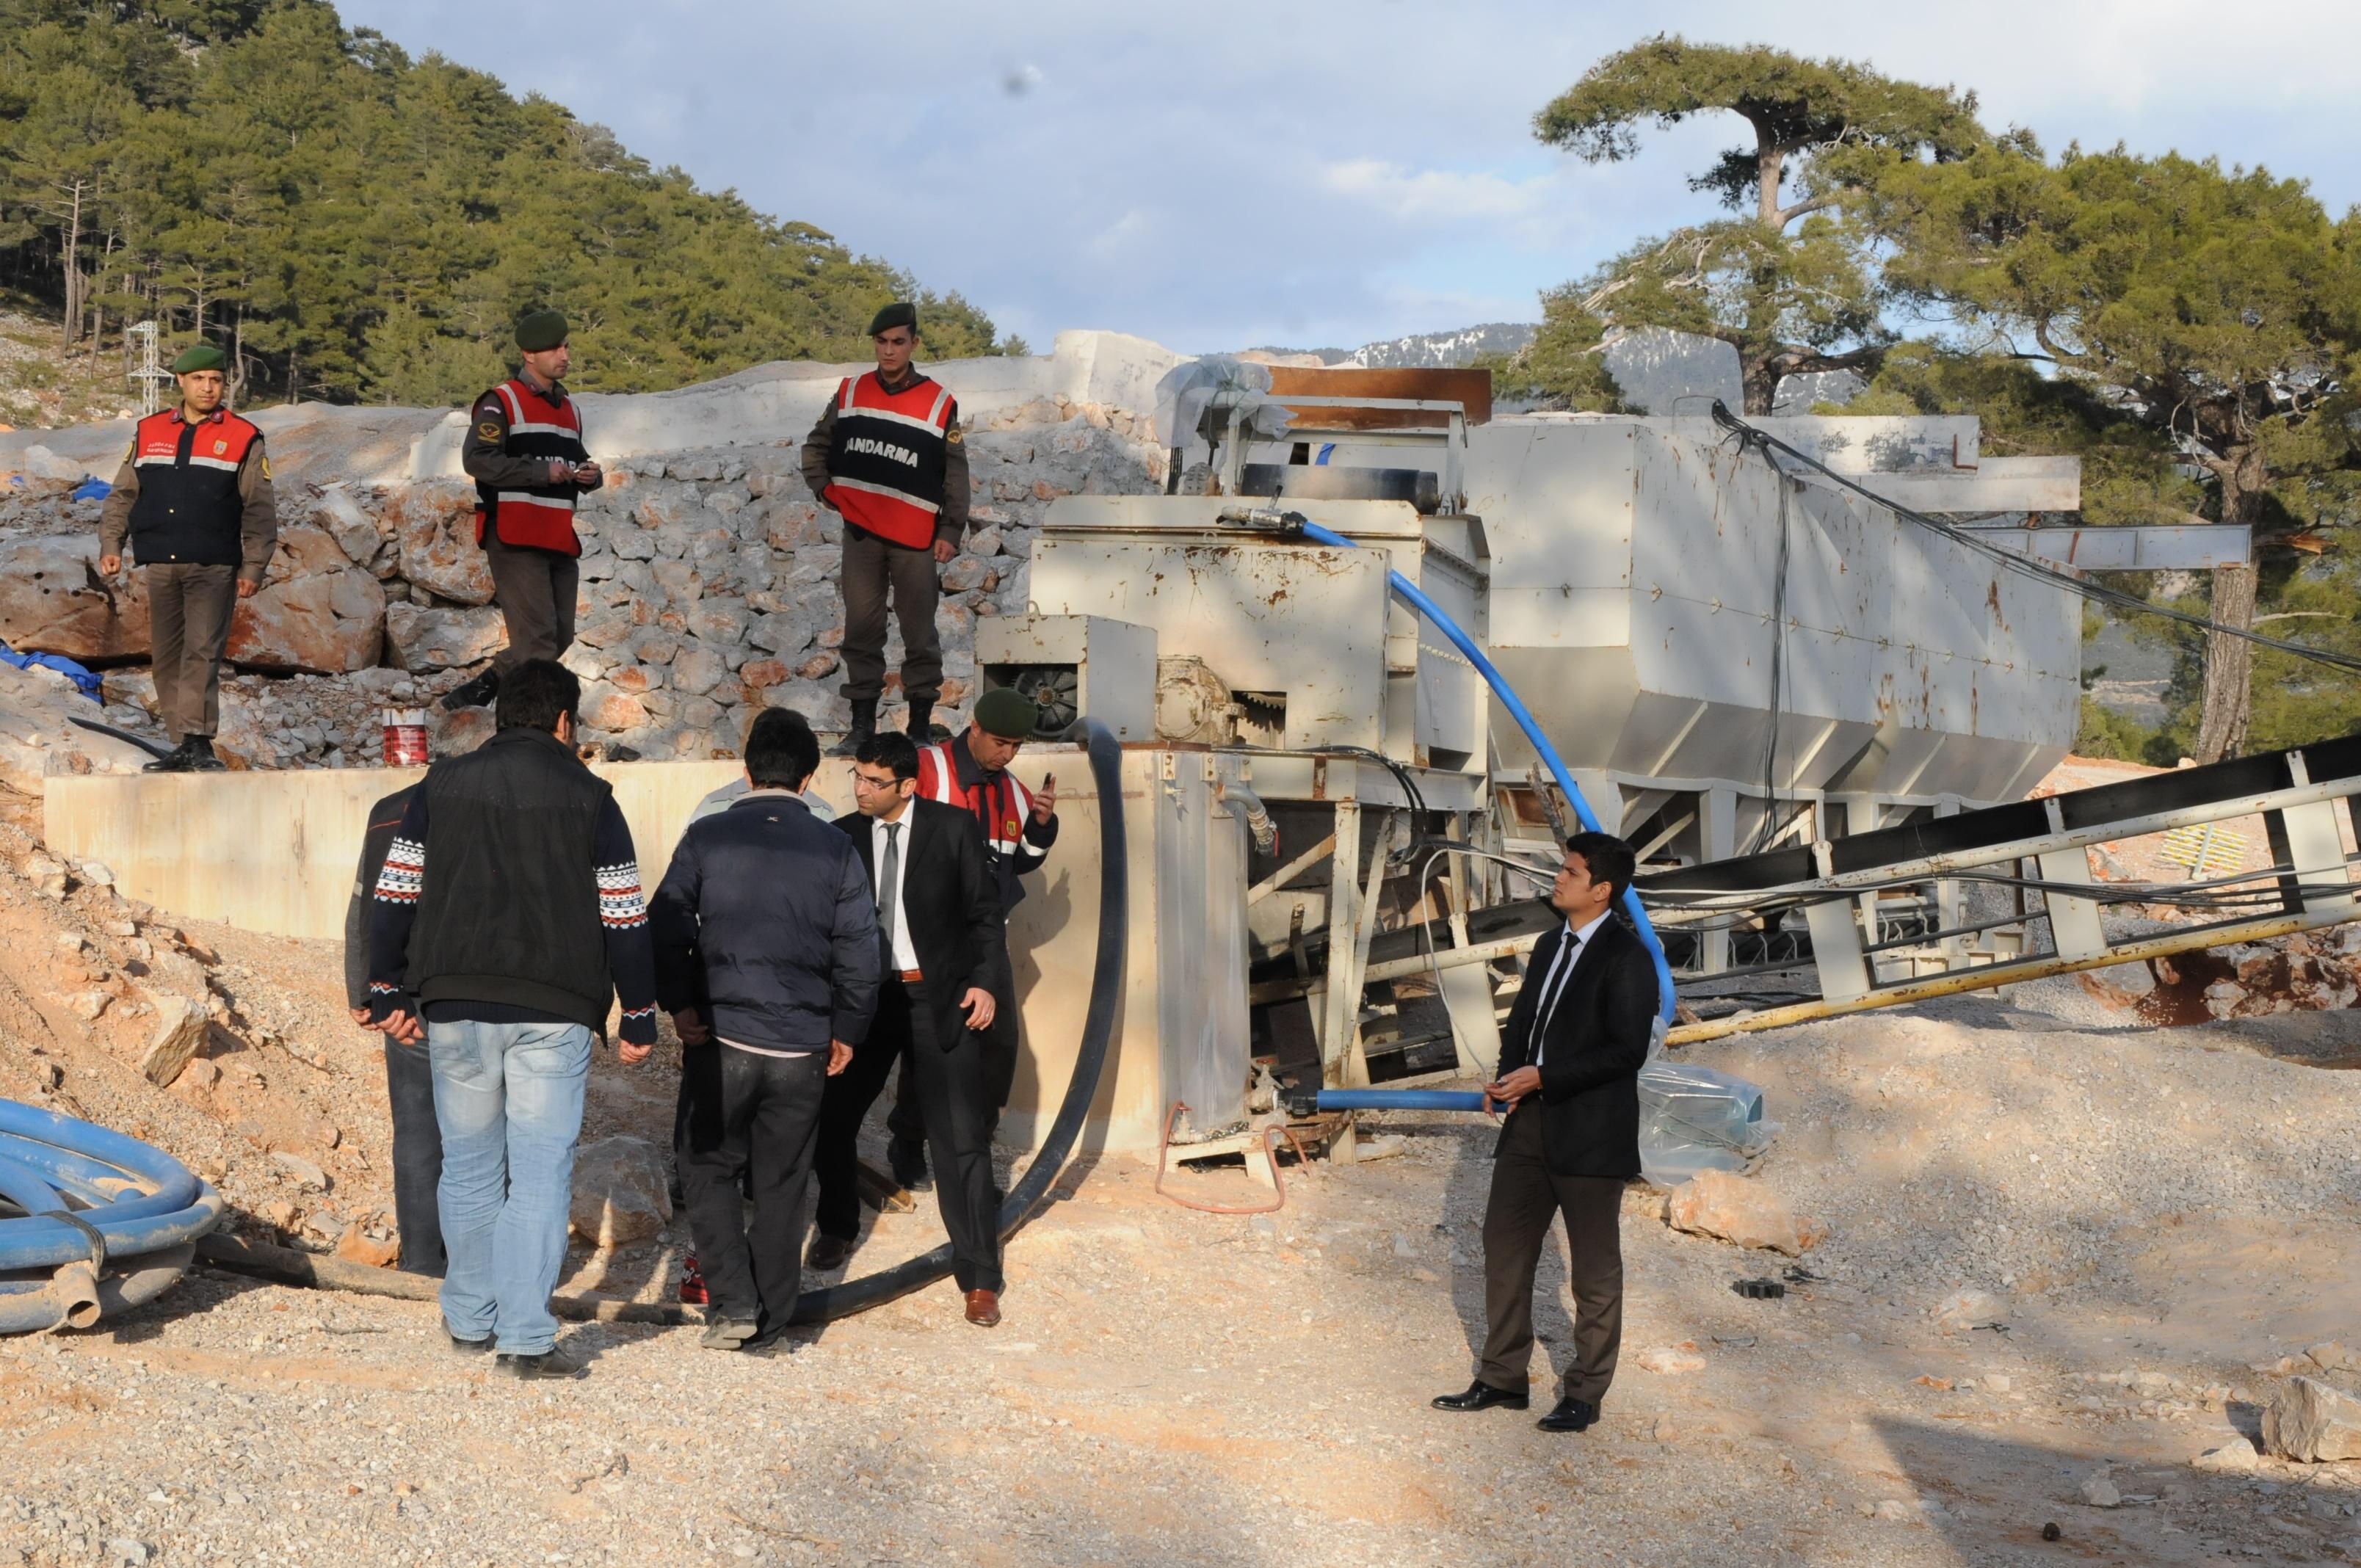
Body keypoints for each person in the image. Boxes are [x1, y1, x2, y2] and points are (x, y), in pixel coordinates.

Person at [366, 659, 659, 1380]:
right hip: (553, 1013)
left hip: (456, 1008)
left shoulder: (441, 786)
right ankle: (525, 1338)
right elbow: (623, 914)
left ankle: (469, 1319)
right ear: (565, 723)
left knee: (467, 1169)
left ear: (501, 720)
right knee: (537, 1174)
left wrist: (385, 989)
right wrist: (641, 1013)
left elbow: (394, 891)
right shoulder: (594, 798)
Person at [651, 708, 878, 1352]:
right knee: (783, 1181)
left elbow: (666, 925)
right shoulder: (837, 845)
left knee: (706, 1166)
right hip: (801, 1046)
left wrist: (680, 1006)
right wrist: (848, 1030)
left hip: (723, 1038)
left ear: (747, 772)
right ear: (808, 780)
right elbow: (860, 950)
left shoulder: (707, 835)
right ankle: (772, 1326)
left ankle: (731, 1308)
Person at [1432, 832, 1657, 1434]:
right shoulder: (1547, 944)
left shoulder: (1627, 959)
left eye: (1570, 872)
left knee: (1593, 1274)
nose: (1557, 879)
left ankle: (1585, 1392)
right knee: (1503, 1250)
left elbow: (1627, 1052)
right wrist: (1506, 1079)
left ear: (1601, 890)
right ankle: (1502, 1378)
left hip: (1590, 1134)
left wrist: (1544, 1076)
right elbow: (1524, 1024)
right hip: (1528, 1126)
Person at [812, 732, 1009, 1326]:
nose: (862, 789)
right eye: (858, 777)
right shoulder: (841, 836)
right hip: (866, 1001)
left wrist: (985, 982)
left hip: (938, 997)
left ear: (908, 785)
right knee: (834, 1115)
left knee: (960, 1137)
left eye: (875, 781)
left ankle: (979, 1276)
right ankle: (837, 1227)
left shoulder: (953, 829)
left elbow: (984, 917)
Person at [883, 686, 1057, 1187]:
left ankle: (972, 1158)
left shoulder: (1017, 793)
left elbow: (1021, 863)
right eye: (1000, 742)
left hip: (984, 946)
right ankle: (909, 1141)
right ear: (974, 728)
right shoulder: (925, 770)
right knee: (925, 1048)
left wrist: (1041, 828)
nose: (1007, 754)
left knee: (996, 1051)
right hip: (918, 940)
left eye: (1017, 746)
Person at [96, 342, 278, 773]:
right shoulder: (150, 429)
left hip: (213, 564)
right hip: (160, 563)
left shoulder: (243, 435)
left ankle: (199, 741)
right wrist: (111, 545)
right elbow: (123, 494)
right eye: (199, 379)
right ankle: (182, 744)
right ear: (180, 381)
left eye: (216, 380)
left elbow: (258, 507)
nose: (208, 388)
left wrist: (254, 565)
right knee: (166, 655)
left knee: (202, 651)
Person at [800, 301, 972, 754]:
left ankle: (918, 728)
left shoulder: (939, 402)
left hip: (916, 538)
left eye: (898, 342)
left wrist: (950, 531)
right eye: (881, 342)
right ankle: (861, 730)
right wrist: (830, 492)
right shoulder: (851, 391)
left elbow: (956, 474)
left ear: (914, 343)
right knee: (862, 631)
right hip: (861, 535)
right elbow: (815, 448)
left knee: (920, 634)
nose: (889, 350)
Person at [441, 310, 606, 711]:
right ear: (529, 354)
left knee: (559, 636)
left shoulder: (570, 408)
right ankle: (528, 725)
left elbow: (572, 458)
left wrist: (591, 475)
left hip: (557, 536)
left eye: (566, 345)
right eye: (555, 347)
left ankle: (490, 684)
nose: (564, 354)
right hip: (515, 535)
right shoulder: (501, 402)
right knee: (537, 642)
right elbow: (478, 461)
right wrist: (540, 472)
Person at [342, 781, 443, 1276]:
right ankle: (479, 1267)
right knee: (487, 1134)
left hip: (404, 998)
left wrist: (362, 986)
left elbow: (366, 902)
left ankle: (424, 1266)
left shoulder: (388, 808)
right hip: (466, 993)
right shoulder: (486, 799)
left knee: (417, 1134)